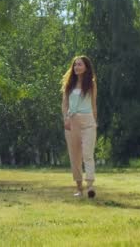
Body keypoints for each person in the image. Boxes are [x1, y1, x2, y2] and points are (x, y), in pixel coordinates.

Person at [61, 55, 98, 198]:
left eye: (80, 64)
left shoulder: (91, 84)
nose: (76, 67)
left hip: (88, 122)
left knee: (88, 155)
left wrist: (95, 121)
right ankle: (79, 188)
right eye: (75, 65)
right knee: (75, 157)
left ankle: (90, 186)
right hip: (72, 123)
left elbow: (94, 104)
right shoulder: (68, 85)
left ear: (86, 67)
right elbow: (64, 104)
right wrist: (66, 119)